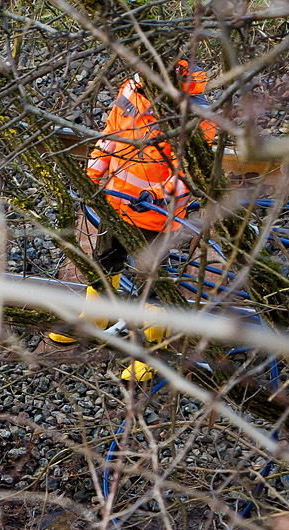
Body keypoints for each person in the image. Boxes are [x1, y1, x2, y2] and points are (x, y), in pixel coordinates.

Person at [48, 58, 217, 347]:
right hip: (116, 204)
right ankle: (96, 318)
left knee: (149, 283)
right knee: (105, 262)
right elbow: (111, 134)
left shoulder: (196, 116)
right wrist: (92, 173)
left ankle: (150, 345)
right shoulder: (132, 89)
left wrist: (157, 197)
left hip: (156, 217)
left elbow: (188, 173)